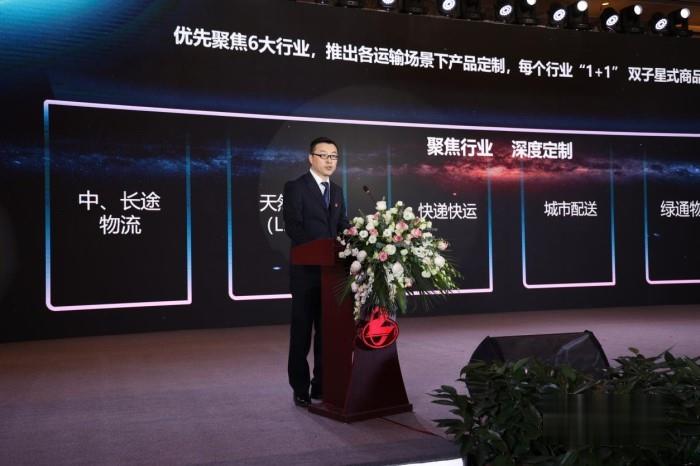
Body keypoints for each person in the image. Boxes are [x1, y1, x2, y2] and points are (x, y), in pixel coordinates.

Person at [282, 136, 349, 407]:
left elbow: (342, 225)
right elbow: (293, 226)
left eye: (334, 156)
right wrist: (317, 250)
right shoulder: (296, 187)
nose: (329, 161)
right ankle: (300, 387)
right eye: (323, 155)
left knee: (326, 332)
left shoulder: (338, 191)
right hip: (306, 273)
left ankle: (321, 384)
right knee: (302, 333)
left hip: (331, 274)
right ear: (311, 158)